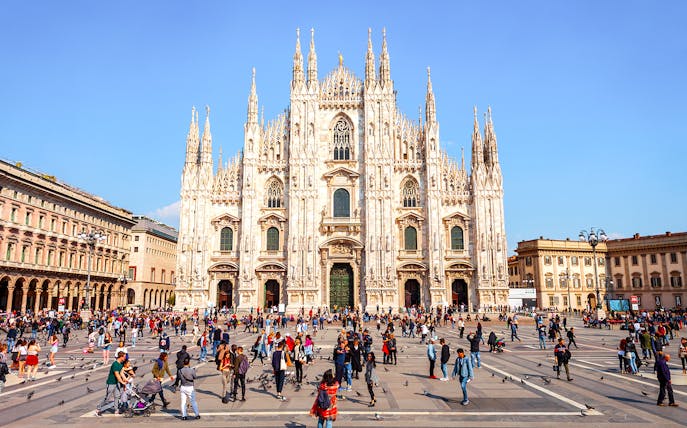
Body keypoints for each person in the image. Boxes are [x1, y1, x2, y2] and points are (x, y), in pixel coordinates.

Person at [96, 351, 127, 416]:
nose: (125, 358)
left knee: (117, 396)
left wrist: (126, 380)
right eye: (124, 357)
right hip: (111, 383)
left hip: (117, 383)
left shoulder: (120, 364)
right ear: (121, 357)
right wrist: (122, 382)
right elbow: (117, 375)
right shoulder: (115, 364)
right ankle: (98, 409)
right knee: (107, 398)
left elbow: (121, 373)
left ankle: (116, 410)